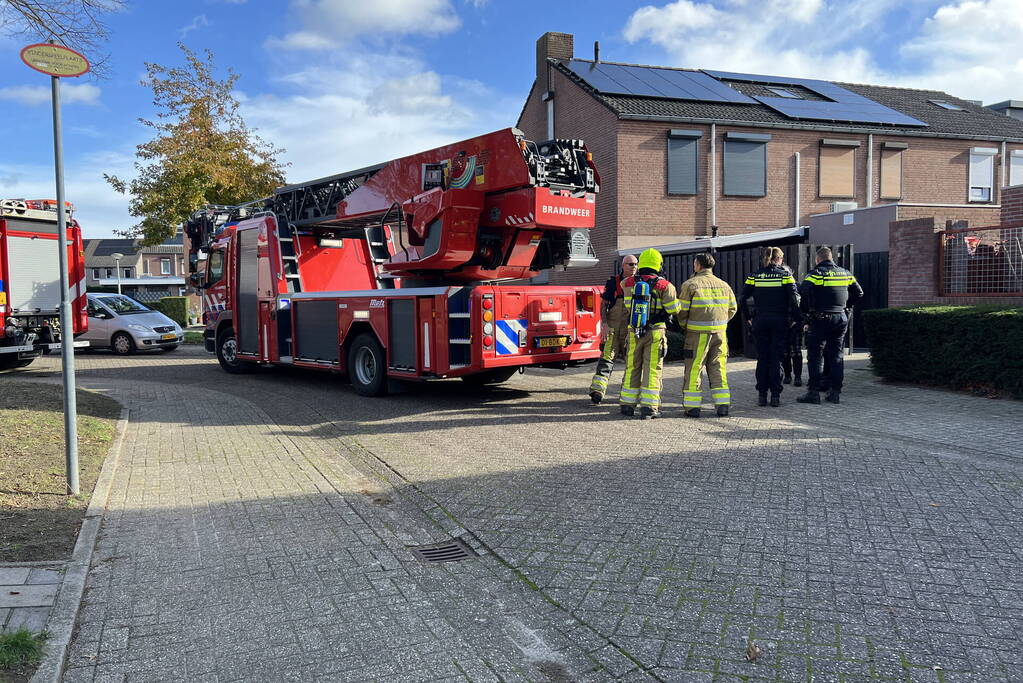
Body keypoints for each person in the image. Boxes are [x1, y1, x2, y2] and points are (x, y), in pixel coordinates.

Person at [617, 248, 681, 419]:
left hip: (634, 330)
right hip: (655, 332)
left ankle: (627, 405)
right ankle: (649, 407)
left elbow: (626, 302)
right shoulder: (665, 286)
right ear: (658, 264)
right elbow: (674, 309)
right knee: (652, 368)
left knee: (632, 367)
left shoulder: (628, 283)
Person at [797, 246, 864, 405]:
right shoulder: (845, 273)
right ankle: (835, 393)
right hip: (840, 318)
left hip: (820, 318)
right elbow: (859, 293)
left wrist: (807, 313)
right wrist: (846, 307)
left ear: (818, 259)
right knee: (836, 356)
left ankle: (813, 393)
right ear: (831, 257)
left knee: (815, 356)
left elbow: (803, 292)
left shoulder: (816, 274)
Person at [676, 252, 737, 418]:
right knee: (718, 368)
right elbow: (732, 309)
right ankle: (722, 405)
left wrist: (685, 326)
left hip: (697, 335)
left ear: (698, 265)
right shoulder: (724, 285)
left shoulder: (690, 285)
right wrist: (720, 323)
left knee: (694, 369)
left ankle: (692, 408)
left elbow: (682, 312)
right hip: (720, 335)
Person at [741, 247, 800, 407]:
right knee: (776, 359)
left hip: (760, 320)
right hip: (779, 321)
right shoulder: (786, 276)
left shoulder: (755, 276)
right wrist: (795, 319)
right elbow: (795, 300)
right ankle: (775, 396)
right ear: (779, 259)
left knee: (763, 358)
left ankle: (761, 395)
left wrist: (749, 319)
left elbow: (742, 298)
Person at [588, 254, 639, 404]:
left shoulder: (640, 283)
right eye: (630, 264)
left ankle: (627, 394)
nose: (634, 267)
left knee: (632, 363)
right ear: (623, 265)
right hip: (612, 328)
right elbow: (603, 305)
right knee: (606, 359)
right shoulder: (613, 282)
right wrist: (604, 324)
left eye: (636, 264)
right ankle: (597, 391)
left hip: (630, 330)